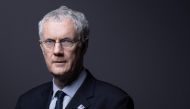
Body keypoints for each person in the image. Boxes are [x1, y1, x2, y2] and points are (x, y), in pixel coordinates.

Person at [15, 5, 134, 109]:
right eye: (50, 42)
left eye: (66, 41)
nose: (57, 51)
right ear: (42, 48)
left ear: (84, 46)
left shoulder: (114, 102)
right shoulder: (26, 102)